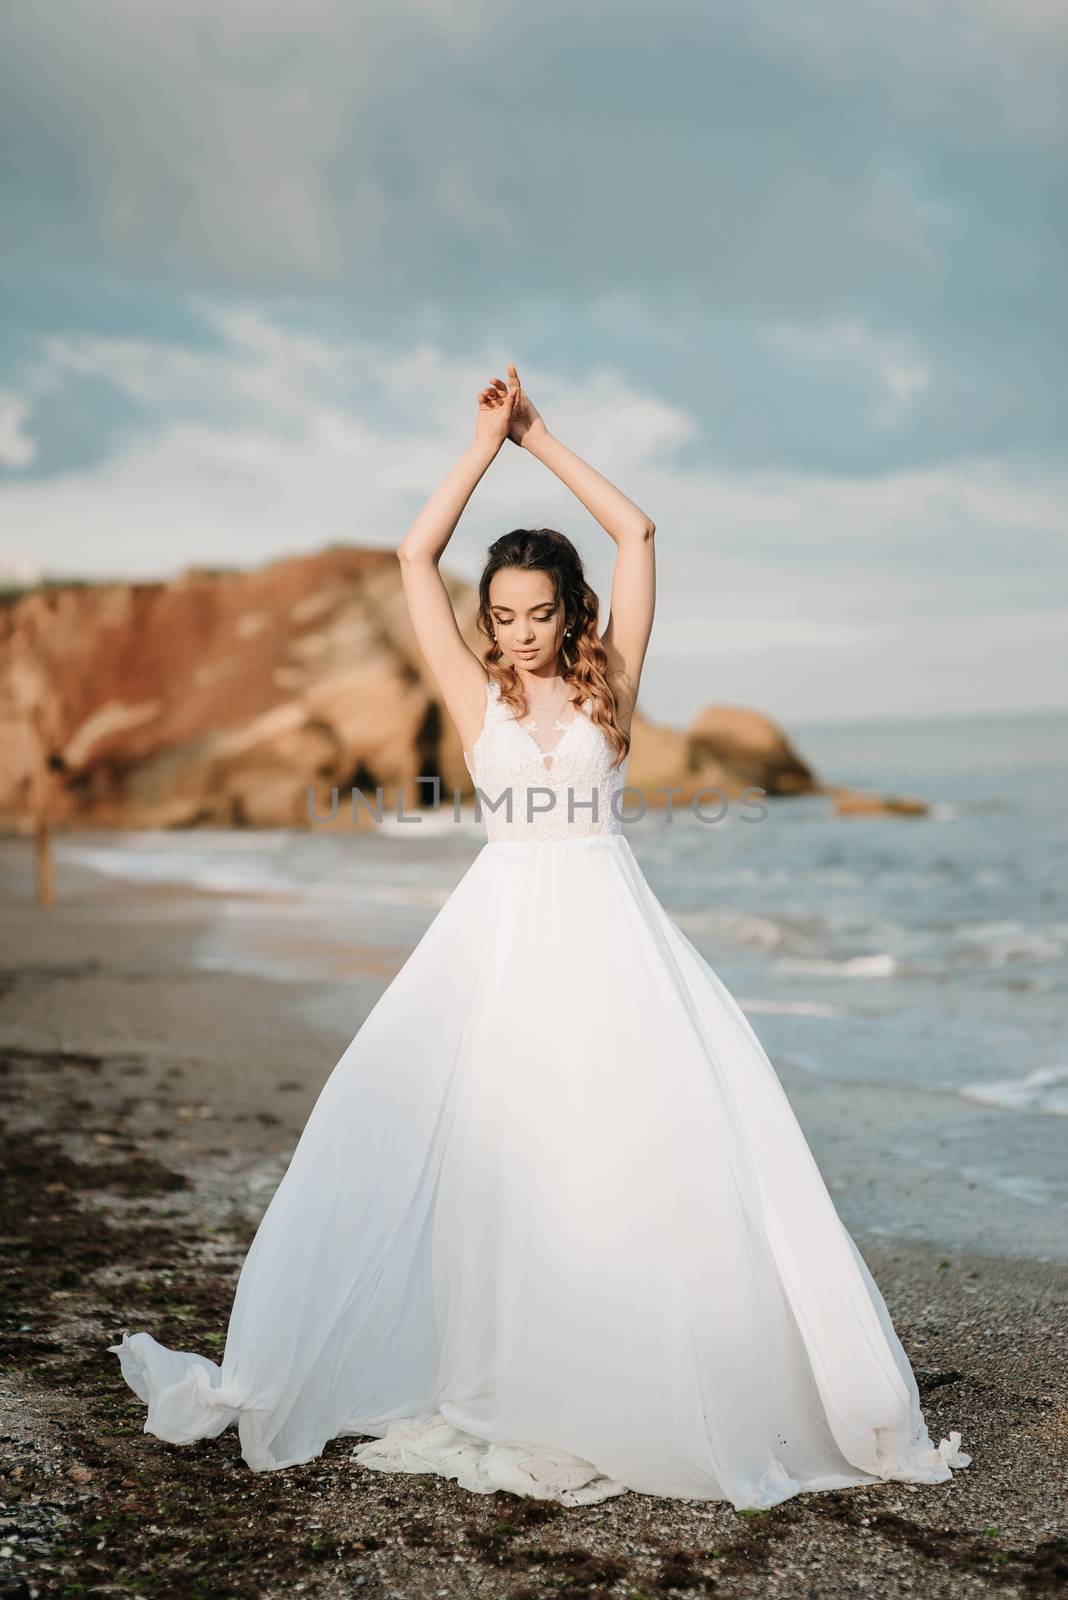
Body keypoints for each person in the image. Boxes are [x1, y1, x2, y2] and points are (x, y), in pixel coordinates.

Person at [110, 363, 970, 1510]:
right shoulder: (480, 699)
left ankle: (621, 1372)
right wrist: (478, 449)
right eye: (503, 615)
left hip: (614, 941)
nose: (518, 634)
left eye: (539, 613)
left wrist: (541, 437)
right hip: (500, 940)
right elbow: (415, 560)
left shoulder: (612, 681)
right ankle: (504, 1364)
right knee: (493, 1153)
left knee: (618, 1150)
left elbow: (638, 527)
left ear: (575, 614)